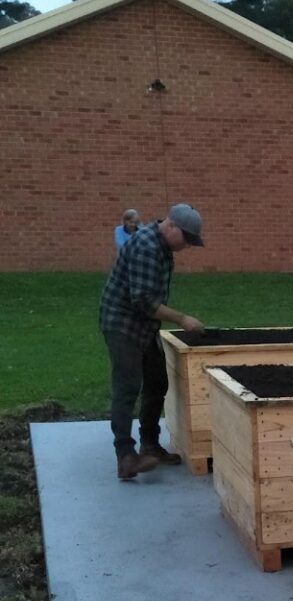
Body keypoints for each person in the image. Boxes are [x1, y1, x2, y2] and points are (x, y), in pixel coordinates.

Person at [99, 204, 206, 480]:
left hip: (144, 326)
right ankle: (126, 457)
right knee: (127, 386)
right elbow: (144, 301)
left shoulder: (162, 246)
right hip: (122, 324)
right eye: (187, 239)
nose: (188, 246)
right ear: (171, 226)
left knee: (157, 381)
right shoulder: (147, 247)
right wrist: (183, 319)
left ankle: (150, 444)